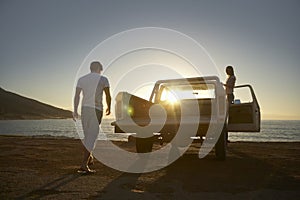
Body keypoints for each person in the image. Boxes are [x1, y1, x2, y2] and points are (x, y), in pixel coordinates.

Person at [73, 61, 111, 173]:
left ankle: (89, 157)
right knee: (92, 136)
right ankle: (84, 165)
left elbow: (77, 96)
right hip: (96, 109)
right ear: (99, 68)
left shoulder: (82, 79)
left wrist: (75, 110)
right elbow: (108, 95)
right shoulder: (103, 79)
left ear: (90, 68)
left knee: (87, 134)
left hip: (85, 109)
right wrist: (109, 107)